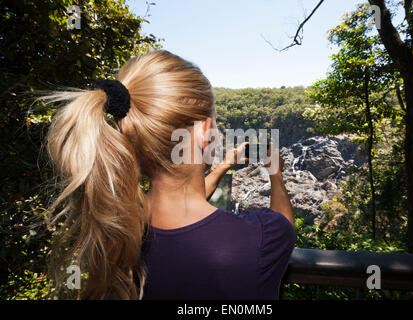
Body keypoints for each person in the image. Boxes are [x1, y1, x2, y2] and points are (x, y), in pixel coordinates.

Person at [43, 50, 295, 300]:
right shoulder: (260, 235)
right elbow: (284, 225)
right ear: (204, 131)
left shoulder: (119, 224)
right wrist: (276, 172)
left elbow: (183, 203)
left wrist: (224, 165)